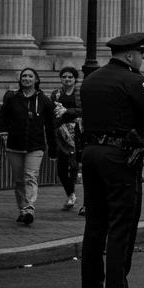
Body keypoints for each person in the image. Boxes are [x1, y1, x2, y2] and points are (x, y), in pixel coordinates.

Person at [79, 32, 144, 288]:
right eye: (142, 54)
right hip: (119, 155)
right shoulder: (134, 80)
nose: (142, 59)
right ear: (130, 55)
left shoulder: (91, 79)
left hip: (92, 153)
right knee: (121, 222)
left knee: (95, 223)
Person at [0, 67, 56, 226]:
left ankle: (30, 207)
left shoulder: (44, 100)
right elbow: (4, 120)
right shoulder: (12, 98)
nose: (27, 78)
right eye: (24, 76)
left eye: (30, 76)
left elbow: (50, 125)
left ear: (36, 80)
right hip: (14, 146)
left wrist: (53, 147)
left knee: (30, 176)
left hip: (35, 145)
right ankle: (22, 209)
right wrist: (3, 136)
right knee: (18, 181)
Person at [51, 66, 83, 211]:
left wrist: (68, 112)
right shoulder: (56, 94)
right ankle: (71, 193)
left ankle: (72, 196)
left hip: (78, 133)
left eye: (70, 77)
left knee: (75, 164)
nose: (67, 79)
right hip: (61, 133)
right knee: (62, 169)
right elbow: (52, 113)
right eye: (64, 77)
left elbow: (84, 110)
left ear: (75, 79)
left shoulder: (80, 94)